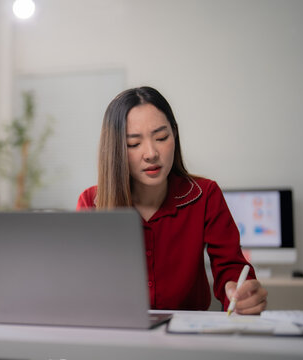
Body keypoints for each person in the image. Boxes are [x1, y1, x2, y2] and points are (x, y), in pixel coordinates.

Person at [77, 86, 267, 313]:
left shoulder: (205, 195)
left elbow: (231, 267)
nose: (151, 153)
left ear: (174, 134)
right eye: (134, 143)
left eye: (161, 137)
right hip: (118, 335)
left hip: (188, 337)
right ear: (115, 149)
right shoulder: (92, 202)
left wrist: (241, 292)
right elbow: (81, 280)